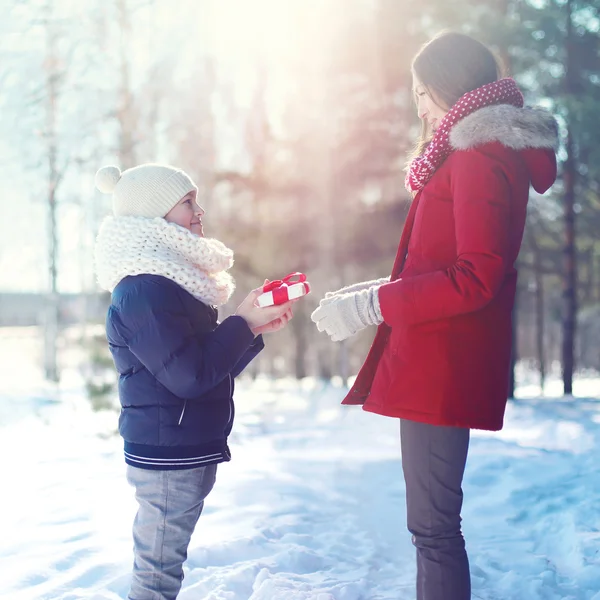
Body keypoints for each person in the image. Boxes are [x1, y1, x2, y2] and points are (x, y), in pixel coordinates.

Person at [311, 31, 558, 600]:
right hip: (436, 360)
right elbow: (439, 263)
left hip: (441, 366)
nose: (418, 106)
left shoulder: (477, 157)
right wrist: (366, 293)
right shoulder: (469, 154)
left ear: (451, 87)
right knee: (432, 528)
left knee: (434, 530)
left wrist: (374, 304)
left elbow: (476, 277)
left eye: (423, 92)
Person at [94, 163, 295, 600]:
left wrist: (252, 329)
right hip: (168, 456)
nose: (199, 210)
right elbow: (191, 377)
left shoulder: (169, 284)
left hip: (183, 449)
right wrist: (240, 322)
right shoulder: (144, 290)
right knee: (157, 577)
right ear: (154, 215)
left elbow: (203, 372)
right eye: (187, 202)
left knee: (165, 568)